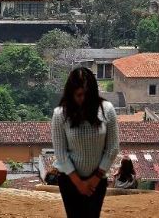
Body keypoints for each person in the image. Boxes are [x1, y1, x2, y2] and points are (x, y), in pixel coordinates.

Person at [51, 67, 120, 218]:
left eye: (87, 95)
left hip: (98, 180)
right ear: (71, 94)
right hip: (69, 180)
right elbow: (61, 153)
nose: (83, 99)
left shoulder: (107, 110)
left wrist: (95, 179)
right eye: (79, 95)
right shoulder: (60, 114)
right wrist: (79, 183)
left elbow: (112, 148)